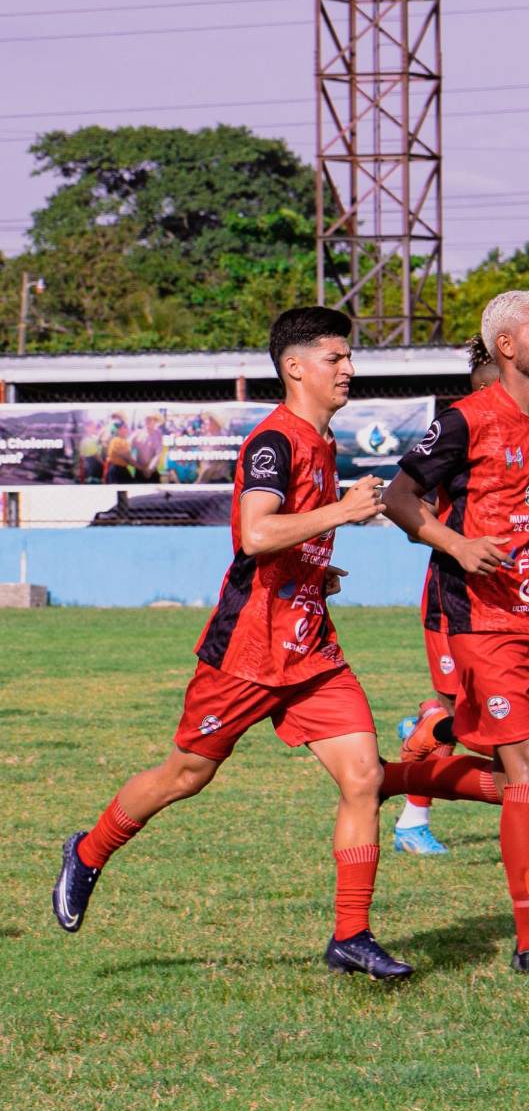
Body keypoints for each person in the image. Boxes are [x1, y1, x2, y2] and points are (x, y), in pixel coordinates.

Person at [53, 306, 413, 981]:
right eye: (336, 358)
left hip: (309, 649)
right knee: (186, 775)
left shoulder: (323, 440)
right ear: (296, 366)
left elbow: (287, 539)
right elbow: (253, 533)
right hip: (245, 650)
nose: (349, 369)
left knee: (364, 777)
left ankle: (351, 935)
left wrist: (315, 569)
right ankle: (90, 851)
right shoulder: (274, 442)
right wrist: (342, 511)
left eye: (349, 357)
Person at [380, 290, 529, 976]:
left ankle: (400, 777)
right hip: (478, 618)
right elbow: (398, 497)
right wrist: (457, 543)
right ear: (508, 347)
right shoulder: (466, 421)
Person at [392, 336, 499, 855]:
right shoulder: (460, 430)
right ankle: (412, 812)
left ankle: (428, 726)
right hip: (452, 594)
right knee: (466, 716)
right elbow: (408, 506)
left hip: (507, 597)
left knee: (473, 710)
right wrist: (453, 542)